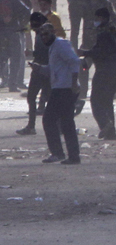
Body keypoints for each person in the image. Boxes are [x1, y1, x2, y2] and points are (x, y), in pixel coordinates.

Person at [38, 21, 82, 164]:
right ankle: (71, 155)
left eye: (46, 34)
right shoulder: (53, 47)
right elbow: (53, 69)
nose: (44, 37)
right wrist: (39, 68)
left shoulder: (61, 44)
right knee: (65, 122)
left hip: (66, 88)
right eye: (41, 35)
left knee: (51, 119)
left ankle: (59, 153)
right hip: (60, 87)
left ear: (53, 32)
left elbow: (74, 62)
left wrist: (74, 82)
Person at [79, 7, 116, 141]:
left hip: (104, 70)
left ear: (102, 18)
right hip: (115, 69)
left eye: (96, 18)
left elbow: (101, 52)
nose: (94, 21)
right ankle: (111, 133)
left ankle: (105, 125)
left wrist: (84, 53)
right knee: (107, 102)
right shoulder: (114, 31)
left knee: (96, 102)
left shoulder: (104, 33)